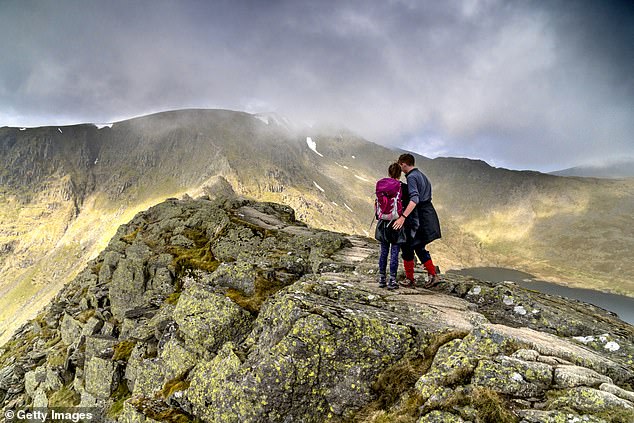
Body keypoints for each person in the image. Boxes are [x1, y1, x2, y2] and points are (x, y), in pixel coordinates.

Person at [392, 153, 442, 288]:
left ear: (403, 164)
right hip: (428, 214)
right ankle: (433, 275)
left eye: (400, 165)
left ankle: (410, 279)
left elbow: (414, 199)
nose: (401, 169)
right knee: (418, 246)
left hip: (420, 216)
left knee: (408, 245)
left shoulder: (412, 177)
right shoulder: (421, 175)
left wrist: (403, 217)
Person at [374, 163, 406, 290]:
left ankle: (382, 278)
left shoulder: (381, 184)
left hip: (382, 221)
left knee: (383, 251)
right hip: (396, 222)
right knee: (394, 252)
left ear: (389, 173)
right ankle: (392, 280)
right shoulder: (399, 186)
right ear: (399, 174)